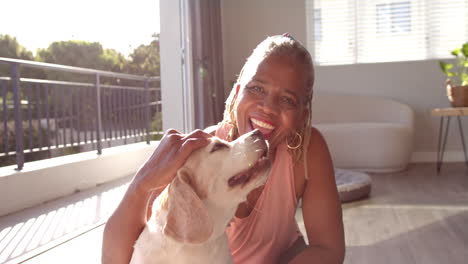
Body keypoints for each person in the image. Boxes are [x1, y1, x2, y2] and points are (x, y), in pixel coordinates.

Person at [102, 34, 345, 264]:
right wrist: (142, 183)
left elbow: (328, 248)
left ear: (303, 115)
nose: (268, 107)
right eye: (257, 88)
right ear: (238, 93)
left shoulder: (307, 151)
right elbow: (114, 259)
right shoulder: (196, 154)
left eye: (288, 99)